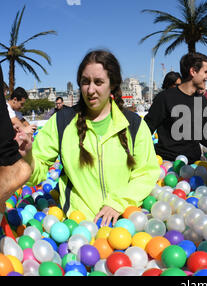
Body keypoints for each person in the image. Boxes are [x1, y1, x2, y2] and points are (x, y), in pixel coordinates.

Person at [23, 50, 160, 226]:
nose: (91, 89)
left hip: (124, 224)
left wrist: (118, 203)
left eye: (99, 82)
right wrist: (26, 157)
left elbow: (146, 173)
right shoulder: (62, 122)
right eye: (85, 82)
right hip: (76, 227)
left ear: (113, 84)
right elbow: (38, 167)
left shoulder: (134, 125)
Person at [144, 52, 207, 164]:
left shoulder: (202, 101)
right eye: (206, 72)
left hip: (194, 164)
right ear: (193, 71)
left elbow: (201, 134)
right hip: (168, 164)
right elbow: (145, 130)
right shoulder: (165, 98)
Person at [0, 66, 32, 213]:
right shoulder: (8, 108)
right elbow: (15, 121)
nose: (22, 106)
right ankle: (10, 159)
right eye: (22, 103)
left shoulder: (15, 111)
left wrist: (28, 127)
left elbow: (21, 120)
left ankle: (9, 159)